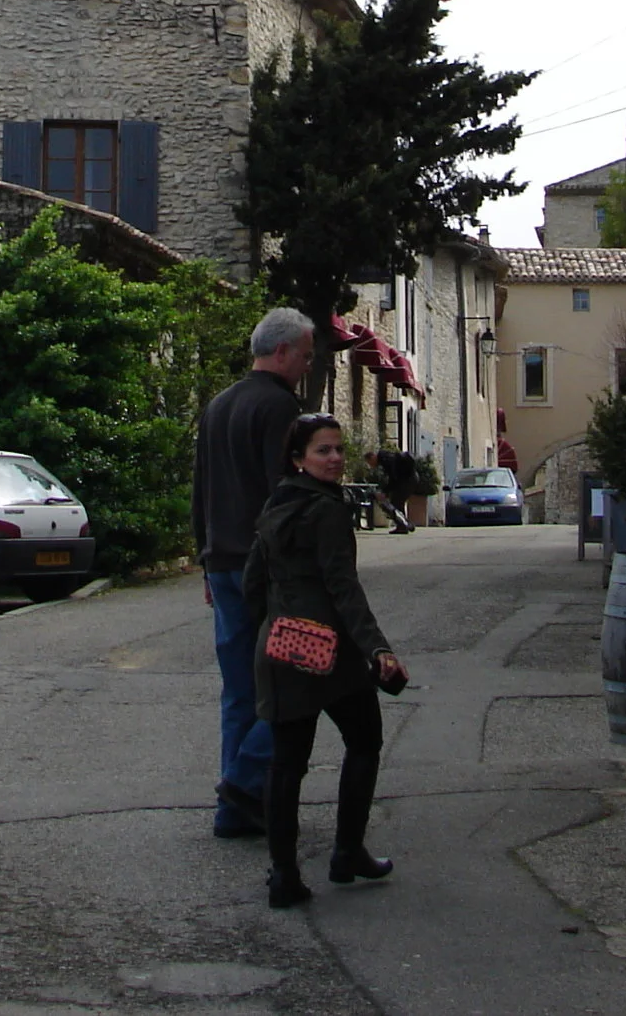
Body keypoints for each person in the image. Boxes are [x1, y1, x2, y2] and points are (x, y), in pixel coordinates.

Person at [244, 411, 409, 908]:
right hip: (327, 650)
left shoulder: (278, 502)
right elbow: (343, 588)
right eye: (323, 450)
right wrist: (377, 648)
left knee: (287, 763)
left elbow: (255, 578)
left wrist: (270, 626)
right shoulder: (328, 511)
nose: (335, 458)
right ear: (299, 457)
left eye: (338, 449)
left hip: (281, 645)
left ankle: (284, 875)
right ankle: (346, 851)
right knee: (364, 739)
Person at [191, 307, 316, 838]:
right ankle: (243, 784)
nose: (308, 366)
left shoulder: (218, 406)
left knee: (240, 689)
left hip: (222, 562)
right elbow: (282, 499)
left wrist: (204, 557)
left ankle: (235, 811)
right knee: (297, 685)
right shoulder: (281, 409)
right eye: (306, 356)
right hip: (265, 570)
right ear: (283, 352)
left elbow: (202, 492)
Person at [368, 447, 417, 534]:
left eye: (370, 462)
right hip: (410, 478)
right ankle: (404, 525)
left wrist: (385, 492)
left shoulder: (386, 460)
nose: (371, 465)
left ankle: (404, 525)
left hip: (407, 480)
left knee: (396, 503)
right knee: (398, 503)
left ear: (373, 457)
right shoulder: (386, 457)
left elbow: (393, 477)